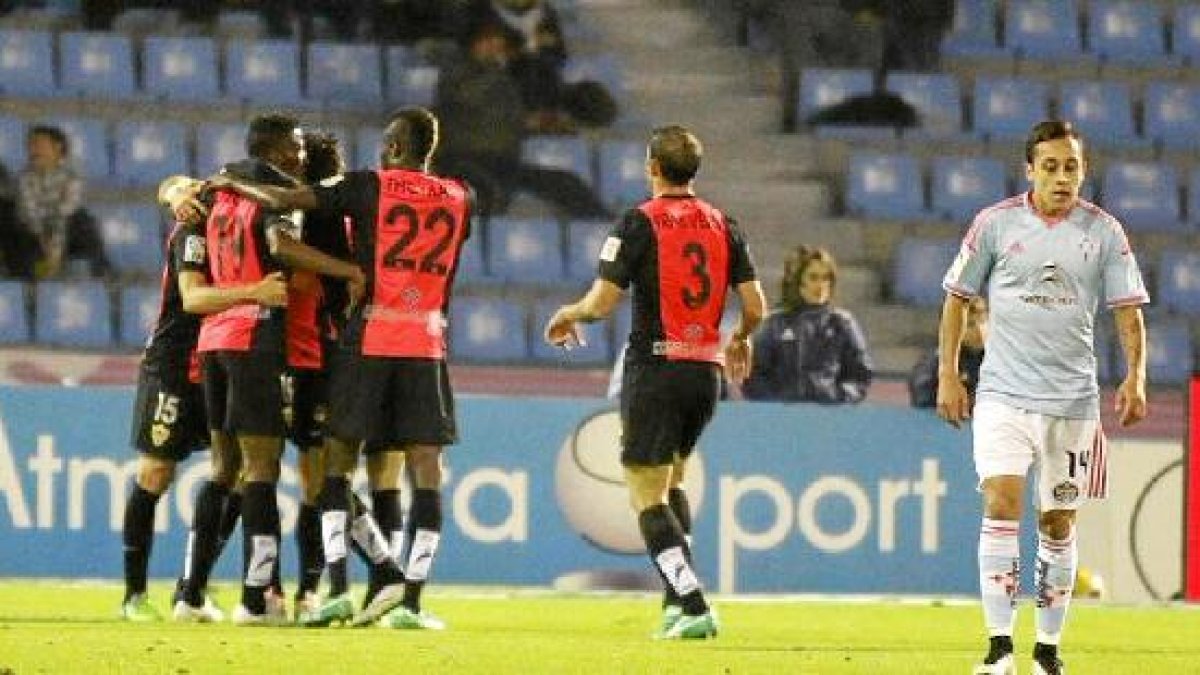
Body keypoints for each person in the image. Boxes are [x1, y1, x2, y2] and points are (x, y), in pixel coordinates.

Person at [207, 106, 472, 630]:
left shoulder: (369, 185)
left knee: (336, 464)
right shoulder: (462, 195)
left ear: (394, 147)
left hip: (368, 335)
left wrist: (232, 183)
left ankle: (336, 591)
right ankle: (411, 602)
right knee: (425, 471)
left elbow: (283, 199)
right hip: (426, 341)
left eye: (385, 144)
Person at [937, 120, 1148, 675]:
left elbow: (1128, 311)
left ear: (1083, 171)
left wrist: (1136, 376)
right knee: (1001, 504)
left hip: (1072, 402)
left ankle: (1048, 651)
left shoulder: (1105, 233)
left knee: (1057, 523)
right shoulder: (995, 224)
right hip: (1003, 395)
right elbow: (957, 299)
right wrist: (949, 375)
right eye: (1050, 167)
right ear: (1029, 170)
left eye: (1070, 167)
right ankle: (999, 647)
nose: (1061, 177)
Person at [544, 125, 766, 639]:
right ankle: (673, 604)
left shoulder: (637, 222)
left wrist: (569, 313)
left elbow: (602, 304)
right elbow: (755, 306)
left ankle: (693, 604)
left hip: (656, 368)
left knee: (645, 494)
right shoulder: (724, 224)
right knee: (674, 481)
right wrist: (740, 338)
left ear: (652, 167)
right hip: (705, 374)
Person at [195, 113, 364, 625]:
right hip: (264, 345)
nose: (301, 162)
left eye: (308, 159)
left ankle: (307, 589)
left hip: (308, 353)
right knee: (251, 472)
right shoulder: (256, 198)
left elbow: (317, 283)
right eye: (296, 151)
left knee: (304, 478)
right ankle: (254, 588)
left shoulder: (327, 215)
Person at [120, 175, 289, 622]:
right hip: (175, 364)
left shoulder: (253, 222)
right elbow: (193, 297)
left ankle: (191, 588)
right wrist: (175, 192)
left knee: (233, 473)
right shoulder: (198, 223)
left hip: (224, 357)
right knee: (156, 472)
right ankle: (134, 595)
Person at [435, 23, 611, 220]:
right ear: (474, 43)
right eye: (488, 41)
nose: (494, 48)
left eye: (499, 43)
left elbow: (506, 116)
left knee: (565, 183)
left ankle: (608, 226)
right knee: (484, 191)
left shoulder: (505, 79)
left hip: (501, 161)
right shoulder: (457, 69)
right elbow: (470, 101)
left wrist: (535, 123)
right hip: (462, 158)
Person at [741, 245, 873, 403]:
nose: (821, 285)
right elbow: (753, 375)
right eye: (813, 277)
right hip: (781, 413)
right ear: (800, 282)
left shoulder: (842, 324)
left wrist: (838, 397)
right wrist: (776, 402)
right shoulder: (775, 324)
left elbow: (861, 375)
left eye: (826, 278)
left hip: (829, 414)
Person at [11, 125, 110, 279]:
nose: (33, 150)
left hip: (65, 234)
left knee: (83, 221)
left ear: (58, 147)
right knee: (18, 227)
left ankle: (100, 276)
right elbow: (31, 215)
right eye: (30, 145)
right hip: (37, 237)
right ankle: (33, 278)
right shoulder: (24, 178)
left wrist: (55, 250)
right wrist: (45, 243)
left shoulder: (73, 174)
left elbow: (65, 211)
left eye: (38, 144)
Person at [909, 296, 987, 408]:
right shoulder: (934, 365)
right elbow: (923, 400)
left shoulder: (998, 359)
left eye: (983, 322)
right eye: (970, 325)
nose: (980, 330)